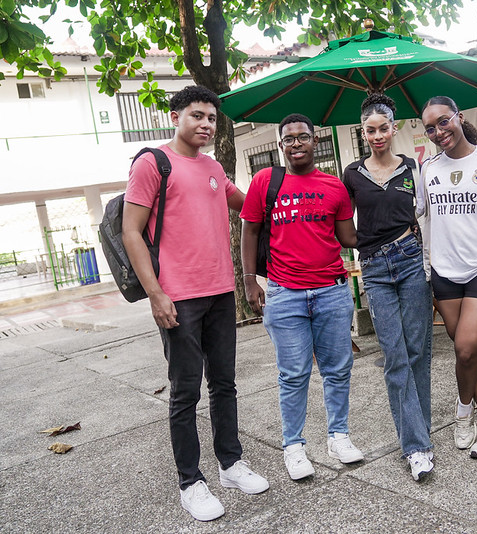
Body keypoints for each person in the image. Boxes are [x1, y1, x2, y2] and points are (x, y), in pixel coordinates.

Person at [121, 85, 269, 522]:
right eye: (197, 116)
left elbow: (249, 206)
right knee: (185, 392)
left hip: (220, 292)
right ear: (176, 117)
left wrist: (287, 188)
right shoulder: (153, 163)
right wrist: (156, 293)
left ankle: (230, 463)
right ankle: (190, 482)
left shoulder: (213, 167)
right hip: (178, 298)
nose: (206, 124)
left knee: (224, 384)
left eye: (211, 118)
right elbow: (131, 231)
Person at [240, 113, 364, 482]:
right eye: (289, 139)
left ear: (315, 140)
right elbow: (249, 232)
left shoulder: (334, 186)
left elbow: (348, 238)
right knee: (293, 374)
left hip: (332, 292)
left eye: (303, 137)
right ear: (281, 145)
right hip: (285, 295)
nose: (296, 143)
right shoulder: (265, 181)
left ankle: (338, 437)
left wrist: (389, 217)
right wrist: (249, 281)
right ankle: (293, 447)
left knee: (337, 370)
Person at [342, 94, 434, 481]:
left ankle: (419, 438)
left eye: (384, 128)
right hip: (375, 268)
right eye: (370, 130)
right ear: (362, 133)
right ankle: (416, 446)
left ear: (394, 129)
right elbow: (342, 222)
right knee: (395, 355)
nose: (378, 135)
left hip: (410, 260)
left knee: (418, 352)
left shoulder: (412, 167)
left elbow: (424, 211)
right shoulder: (351, 173)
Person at [419, 96, 477, 459]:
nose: (439, 132)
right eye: (430, 128)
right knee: (467, 352)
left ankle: (462, 412)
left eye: (444, 122)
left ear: (459, 117)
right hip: (444, 270)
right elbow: (420, 215)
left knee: (466, 347)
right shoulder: (427, 168)